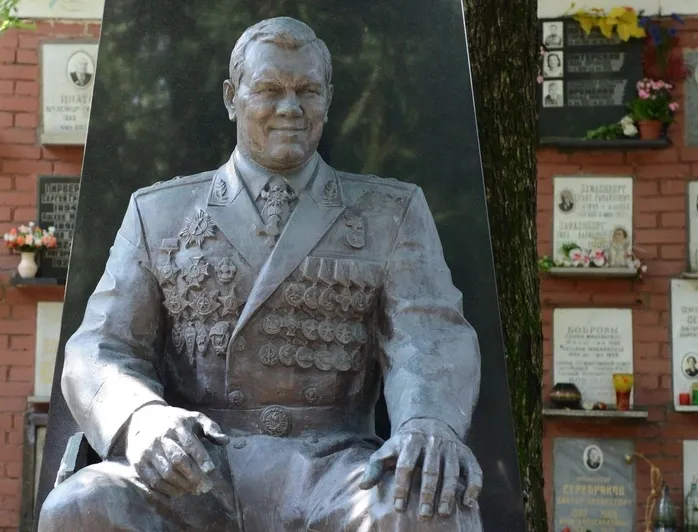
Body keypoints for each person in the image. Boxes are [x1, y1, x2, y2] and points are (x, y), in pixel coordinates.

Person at [39, 16, 484, 532]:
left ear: (327, 99)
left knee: (432, 510)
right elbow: (100, 347)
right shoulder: (157, 214)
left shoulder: (390, 212)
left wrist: (427, 422)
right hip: (196, 469)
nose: (290, 107)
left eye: (307, 91)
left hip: (335, 470)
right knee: (78, 507)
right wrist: (140, 418)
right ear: (232, 98)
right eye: (270, 89)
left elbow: (429, 337)